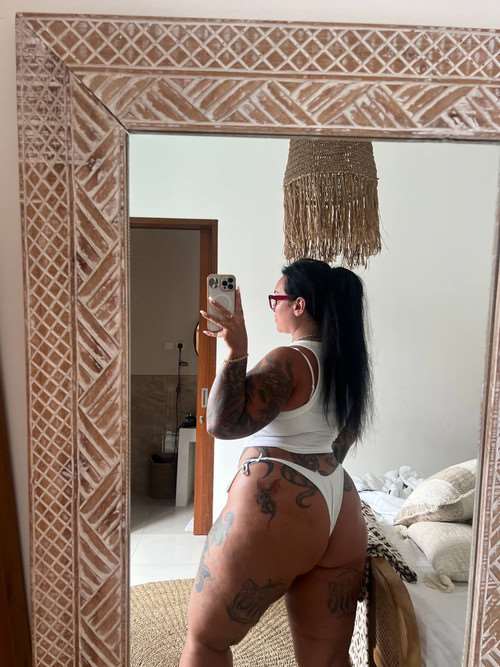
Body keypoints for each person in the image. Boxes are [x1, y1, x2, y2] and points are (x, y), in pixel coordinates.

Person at [180, 258, 373, 667]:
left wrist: (237, 350)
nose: (273, 307)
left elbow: (221, 424)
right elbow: (342, 441)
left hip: (279, 505)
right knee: (327, 660)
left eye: (276, 298)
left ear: (299, 305)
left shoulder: (290, 360)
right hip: (339, 505)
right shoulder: (345, 363)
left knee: (205, 640)